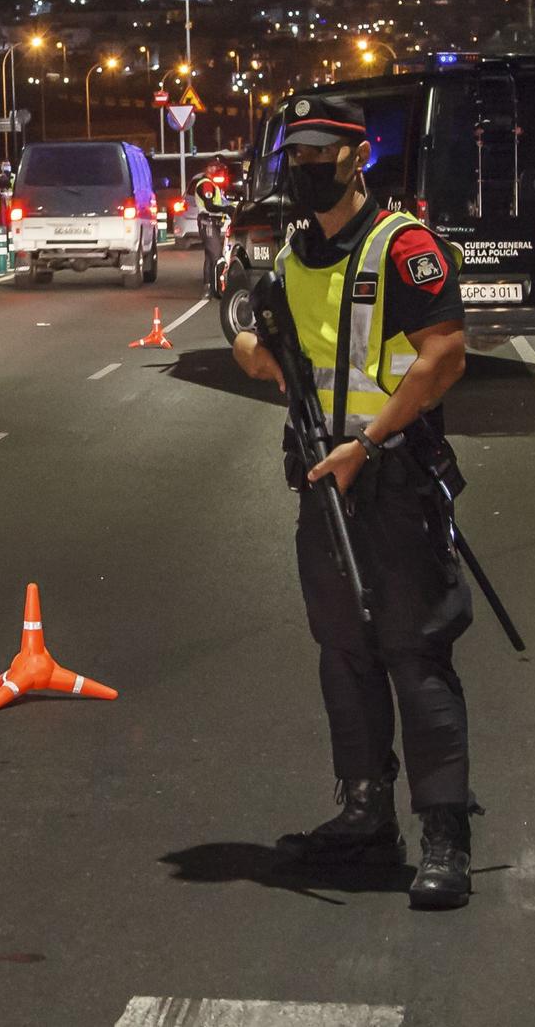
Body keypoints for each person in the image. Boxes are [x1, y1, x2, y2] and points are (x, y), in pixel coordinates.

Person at [231, 94, 479, 910]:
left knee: (415, 650)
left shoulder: (403, 247)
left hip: (394, 479)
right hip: (322, 479)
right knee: (344, 649)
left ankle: (445, 833)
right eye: (294, 153)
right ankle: (367, 812)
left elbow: (444, 356)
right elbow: (275, 345)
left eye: (320, 153)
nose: (304, 168)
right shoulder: (296, 257)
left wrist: (367, 445)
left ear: (358, 155)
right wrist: (252, 350)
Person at [193, 161, 233, 298]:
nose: (219, 172)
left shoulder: (213, 185)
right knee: (217, 256)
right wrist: (225, 209)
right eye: (217, 168)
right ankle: (219, 289)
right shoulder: (206, 184)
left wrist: (230, 206)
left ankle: (208, 288)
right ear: (209, 168)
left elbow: (220, 202)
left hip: (212, 223)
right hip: (208, 222)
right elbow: (210, 205)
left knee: (210, 257)